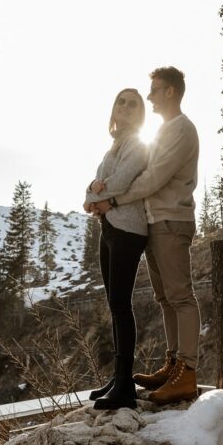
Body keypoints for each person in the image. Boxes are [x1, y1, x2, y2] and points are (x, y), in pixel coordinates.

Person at [93, 66, 200, 405]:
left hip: (172, 220)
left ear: (170, 91)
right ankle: (172, 363)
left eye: (154, 90)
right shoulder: (165, 130)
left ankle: (187, 370)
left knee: (180, 296)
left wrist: (113, 200)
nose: (150, 95)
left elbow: (153, 178)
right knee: (165, 298)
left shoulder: (181, 129)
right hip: (156, 222)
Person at [83, 88, 149, 410]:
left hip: (128, 229)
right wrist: (93, 192)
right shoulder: (114, 147)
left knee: (121, 304)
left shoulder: (137, 144)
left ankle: (126, 386)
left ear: (139, 113)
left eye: (132, 104)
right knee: (114, 303)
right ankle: (118, 376)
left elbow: (120, 182)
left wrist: (97, 192)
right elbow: (91, 183)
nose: (124, 107)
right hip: (109, 228)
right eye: (120, 102)